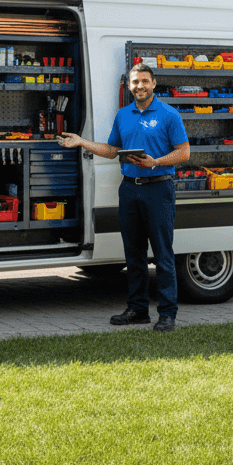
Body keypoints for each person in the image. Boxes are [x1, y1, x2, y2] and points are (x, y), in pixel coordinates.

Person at [59, 63, 190, 331]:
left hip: (158, 189)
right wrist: (81, 142)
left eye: (144, 81)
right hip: (129, 189)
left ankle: (167, 314)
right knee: (133, 253)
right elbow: (111, 150)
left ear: (154, 84)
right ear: (129, 86)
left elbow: (184, 152)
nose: (139, 86)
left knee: (163, 254)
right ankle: (138, 309)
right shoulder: (123, 115)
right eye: (135, 82)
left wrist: (155, 162)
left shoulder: (169, 114)